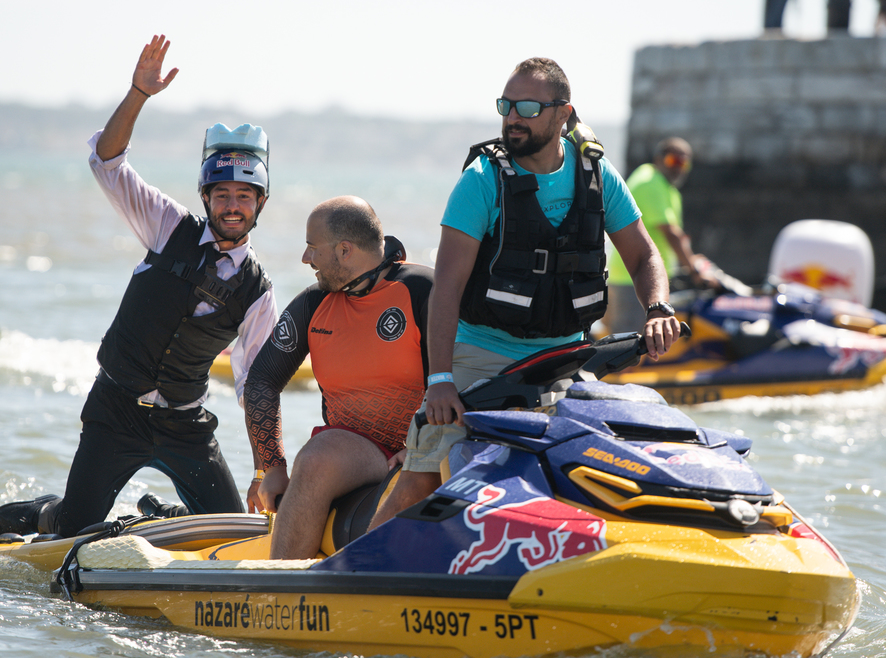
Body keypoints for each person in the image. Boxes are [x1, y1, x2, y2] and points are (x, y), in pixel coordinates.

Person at [0, 35, 279, 543]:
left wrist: (266, 467)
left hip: (187, 425)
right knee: (75, 530)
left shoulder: (259, 291)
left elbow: (256, 386)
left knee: (236, 534)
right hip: (116, 410)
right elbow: (107, 163)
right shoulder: (166, 226)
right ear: (205, 194)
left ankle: (164, 519)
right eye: (221, 193)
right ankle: (46, 511)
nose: (231, 206)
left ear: (260, 201)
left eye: (243, 196)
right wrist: (138, 94)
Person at [367, 57, 680, 531]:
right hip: (480, 355)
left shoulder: (597, 175)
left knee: (596, 469)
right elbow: (446, 289)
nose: (512, 117)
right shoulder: (480, 181)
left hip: (565, 360)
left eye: (528, 107)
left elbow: (643, 257)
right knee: (424, 476)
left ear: (562, 113)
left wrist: (657, 308)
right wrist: (440, 381)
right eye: (506, 105)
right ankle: (357, 568)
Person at [244, 197, 432, 559]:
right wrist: (270, 465)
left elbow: (464, 372)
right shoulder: (314, 303)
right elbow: (262, 381)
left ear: (344, 250)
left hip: (424, 445)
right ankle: (282, 594)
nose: (305, 260)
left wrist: (426, 442)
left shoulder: (422, 289)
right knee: (316, 459)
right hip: (360, 449)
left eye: (312, 249)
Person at [606, 138, 713, 336]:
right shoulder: (650, 182)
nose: (679, 168)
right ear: (659, 159)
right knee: (626, 344)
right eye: (674, 162)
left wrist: (691, 260)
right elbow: (672, 234)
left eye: (684, 163)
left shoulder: (663, 185)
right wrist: (694, 270)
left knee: (635, 344)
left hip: (637, 277)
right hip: (633, 279)